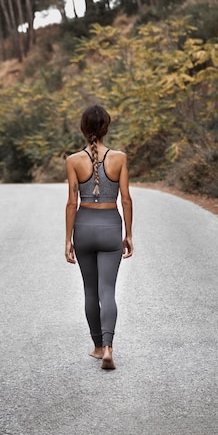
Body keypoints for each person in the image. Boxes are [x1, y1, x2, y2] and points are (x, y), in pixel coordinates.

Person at [65, 104, 133, 370]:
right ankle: (109, 347)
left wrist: (68, 239)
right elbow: (126, 198)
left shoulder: (73, 161)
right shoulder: (119, 158)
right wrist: (128, 234)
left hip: (84, 227)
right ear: (107, 127)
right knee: (108, 290)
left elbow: (72, 203)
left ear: (83, 129)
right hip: (110, 227)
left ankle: (96, 346)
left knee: (90, 290)